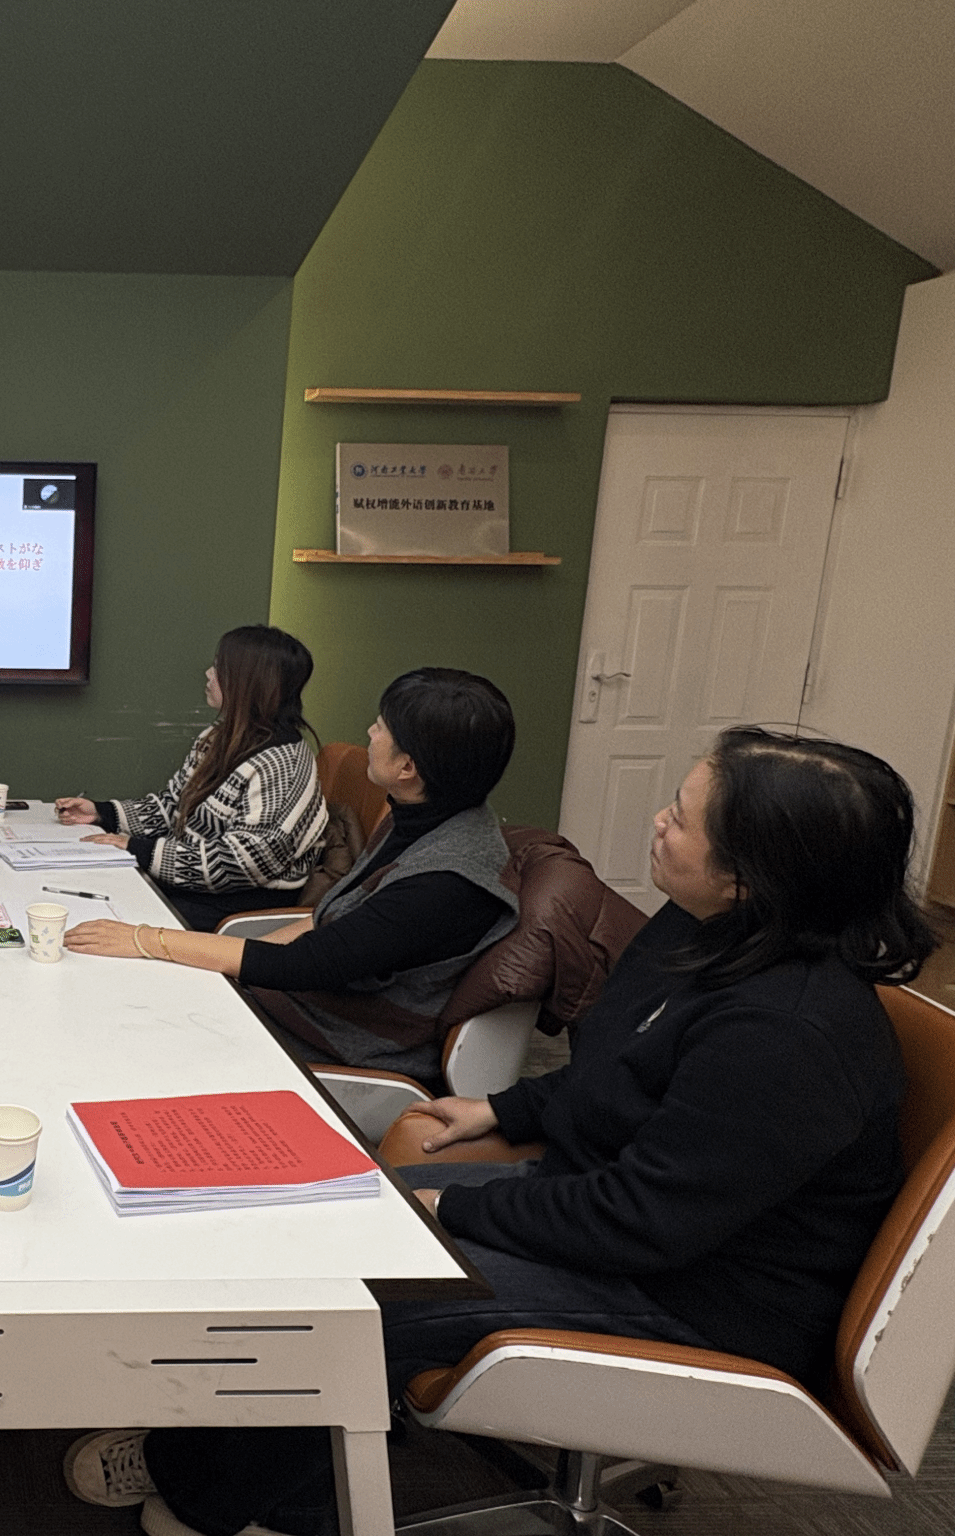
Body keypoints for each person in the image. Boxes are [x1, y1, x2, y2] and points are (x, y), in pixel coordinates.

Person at [61, 726, 936, 1536]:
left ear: (751, 876)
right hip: (612, 1211)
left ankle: (235, 1500)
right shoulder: (707, 932)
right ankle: (245, 1449)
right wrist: (503, 1109)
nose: (659, 822)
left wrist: (455, 1210)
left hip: (697, 1294)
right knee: (320, 1217)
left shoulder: (787, 1032)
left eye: (682, 816)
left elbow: (643, 1221)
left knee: (360, 1292)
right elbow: (621, 1075)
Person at [66, 667, 519, 1088]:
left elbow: (307, 964)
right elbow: (325, 923)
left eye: (381, 727)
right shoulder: (429, 817)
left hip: (342, 1040)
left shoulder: (444, 881)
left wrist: (147, 939)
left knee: (125, 1017)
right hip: (310, 1002)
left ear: (407, 768)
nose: (370, 732)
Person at [54, 625, 331, 931]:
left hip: (237, 906)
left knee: (98, 921)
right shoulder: (216, 738)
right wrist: (102, 812)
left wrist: (139, 849)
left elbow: (242, 862)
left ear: (248, 682)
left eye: (220, 668)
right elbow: (173, 805)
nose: (208, 674)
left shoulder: (283, 763)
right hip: (191, 889)